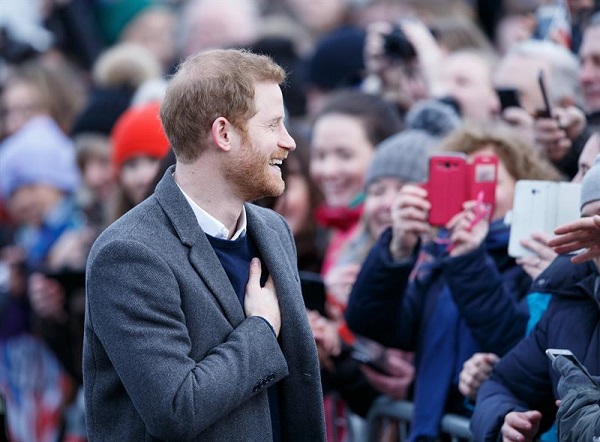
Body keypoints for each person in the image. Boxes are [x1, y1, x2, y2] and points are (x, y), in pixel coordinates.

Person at [83, 48, 326, 441]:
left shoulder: (273, 230)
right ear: (223, 133)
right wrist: (261, 328)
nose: (289, 141)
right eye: (274, 125)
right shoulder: (129, 253)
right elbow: (176, 407)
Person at [345, 122, 560, 441]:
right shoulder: (440, 261)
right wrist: (398, 249)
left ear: (525, 187)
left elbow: (515, 343)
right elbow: (372, 321)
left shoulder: (540, 263)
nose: (476, 192)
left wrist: (468, 258)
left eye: (488, 179)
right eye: (464, 181)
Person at [470, 155, 600, 442]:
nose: (594, 235)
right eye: (587, 222)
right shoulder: (569, 299)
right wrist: (506, 418)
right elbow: (504, 385)